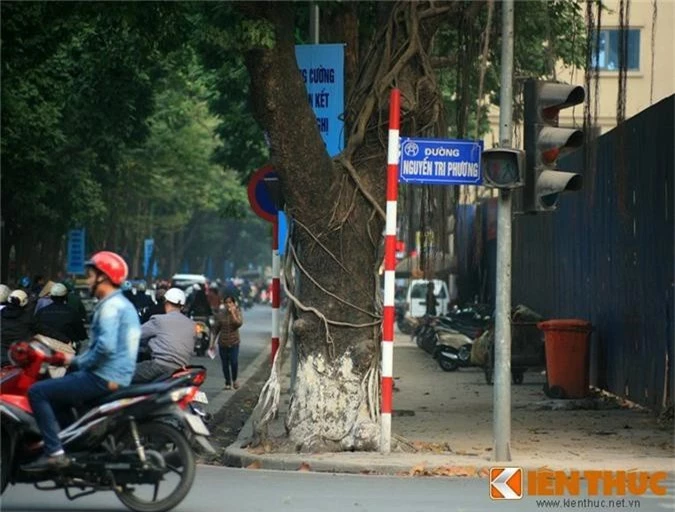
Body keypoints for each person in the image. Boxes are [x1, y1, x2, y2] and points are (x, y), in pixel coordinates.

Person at [22, 251, 140, 472]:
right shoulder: (123, 305)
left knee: (38, 391)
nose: (88, 280)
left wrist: (76, 362)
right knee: (61, 395)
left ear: (103, 277)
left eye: (91, 275)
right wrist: (70, 359)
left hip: (102, 376)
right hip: (116, 374)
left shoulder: (109, 307)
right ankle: (72, 444)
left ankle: (54, 452)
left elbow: (104, 349)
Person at [132, 288, 195, 384]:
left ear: (165, 302)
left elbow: (134, 335)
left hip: (159, 366)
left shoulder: (158, 320)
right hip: (181, 369)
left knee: (122, 373)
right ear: (182, 306)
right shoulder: (191, 324)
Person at [34, 283, 87, 351]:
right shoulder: (72, 312)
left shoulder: (41, 312)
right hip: (66, 347)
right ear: (65, 297)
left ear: (51, 297)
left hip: (46, 348)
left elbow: (34, 329)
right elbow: (81, 332)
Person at [212, 293, 243, 390]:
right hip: (223, 342)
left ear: (234, 303)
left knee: (234, 362)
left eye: (230, 302)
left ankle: (234, 380)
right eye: (226, 303)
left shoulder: (238, 312)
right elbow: (216, 329)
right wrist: (212, 343)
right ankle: (227, 382)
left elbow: (238, 324)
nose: (228, 304)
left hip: (234, 342)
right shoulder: (221, 314)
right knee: (225, 364)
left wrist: (233, 313)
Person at [0, 290, 35, 366]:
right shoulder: (28, 317)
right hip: (17, 354)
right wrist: (65, 339)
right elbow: (45, 329)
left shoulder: (2, 313)